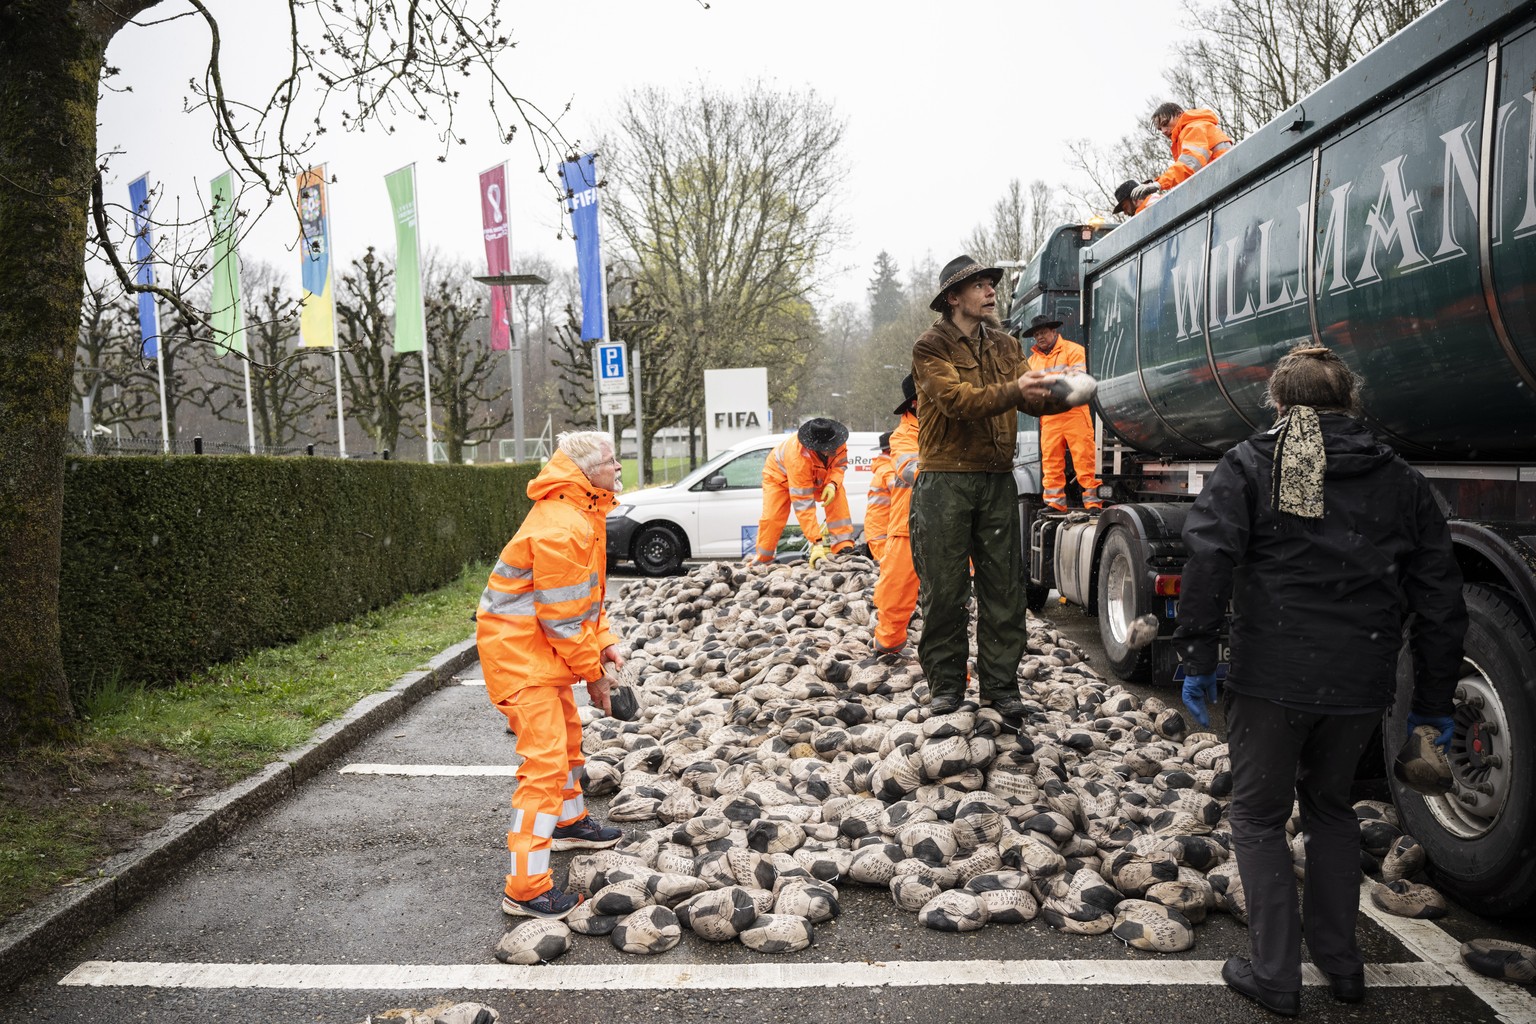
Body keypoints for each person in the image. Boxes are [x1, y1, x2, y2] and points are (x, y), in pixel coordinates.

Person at [1173, 346, 1467, 1016]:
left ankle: (1274, 975)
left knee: (1256, 815)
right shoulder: (1401, 479)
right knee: (1332, 810)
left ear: (1276, 403)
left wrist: (1194, 657)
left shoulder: (1251, 464)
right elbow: (1440, 600)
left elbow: (1208, 563)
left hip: (1270, 678)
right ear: (1352, 404)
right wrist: (1432, 705)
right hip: (1361, 682)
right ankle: (1342, 966)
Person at [910, 255, 1081, 719]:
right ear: (953, 298)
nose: (990, 291)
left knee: (1004, 590)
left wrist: (1061, 392)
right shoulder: (931, 347)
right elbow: (955, 402)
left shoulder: (1005, 346)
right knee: (945, 592)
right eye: (979, 285)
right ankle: (946, 687)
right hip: (945, 480)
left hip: (996, 479)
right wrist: (1018, 390)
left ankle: (1001, 688)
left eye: (990, 284)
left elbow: (1027, 398)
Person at [477, 430, 629, 920]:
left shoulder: (581, 512)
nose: (619, 466)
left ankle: (568, 825)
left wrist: (604, 642)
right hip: (521, 659)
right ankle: (525, 890)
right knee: (543, 766)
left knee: (566, 740)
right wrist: (595, 675)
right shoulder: (564, 526)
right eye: (611, 460)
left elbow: (586, 600)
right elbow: (563, 619)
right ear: (586, 472)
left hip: (535, 652)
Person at [1023, 314, 1102, 513]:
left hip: (1074, 412)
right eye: (1036, 334)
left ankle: (1093, 503)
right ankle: (1055, 503)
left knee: (1085, 458)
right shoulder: (1031, 361)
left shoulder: (1074, 350)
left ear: (1053, 331)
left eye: (1043, 332)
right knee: (1051, 460)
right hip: (1049, 417)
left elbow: (1080, 381)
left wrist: (1048, 387)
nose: (1039, 337)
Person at [754, 418, 854, 567]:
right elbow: (804, 505)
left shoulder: (836, 440)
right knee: (772, 518)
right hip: (779, 479)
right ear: (816, 447)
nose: (832, 450)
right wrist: (817, 542)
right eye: (828, 448)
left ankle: (843, 546)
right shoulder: (797, 458)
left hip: (817, 475)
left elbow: (840, 464)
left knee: (838, 494)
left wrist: (832, 484)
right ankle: (763, 560)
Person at [872, 378, 920, 657]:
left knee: (950, 600)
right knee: (894, 593)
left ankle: (951, 670)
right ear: (915, 402)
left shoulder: (950, 424)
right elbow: (910, 469)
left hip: (949, 523)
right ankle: (889, 645)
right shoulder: (902, 435)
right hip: (907, 526)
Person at [1151, 101, 1234, 192]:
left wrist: (1160, 183)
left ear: (1179, 114)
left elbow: (1190, 163)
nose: (1163, 131)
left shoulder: (1193, 129)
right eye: (1160, 129)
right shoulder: (1197, 127)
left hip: (1222, 182)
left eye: (1165, 123)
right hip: (1224, 180)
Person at [864, 431, 895, 562]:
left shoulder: (884, 468)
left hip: (879, 531)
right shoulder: (888, 470)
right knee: (889, 571)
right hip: (882, 533)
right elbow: (903, 491)